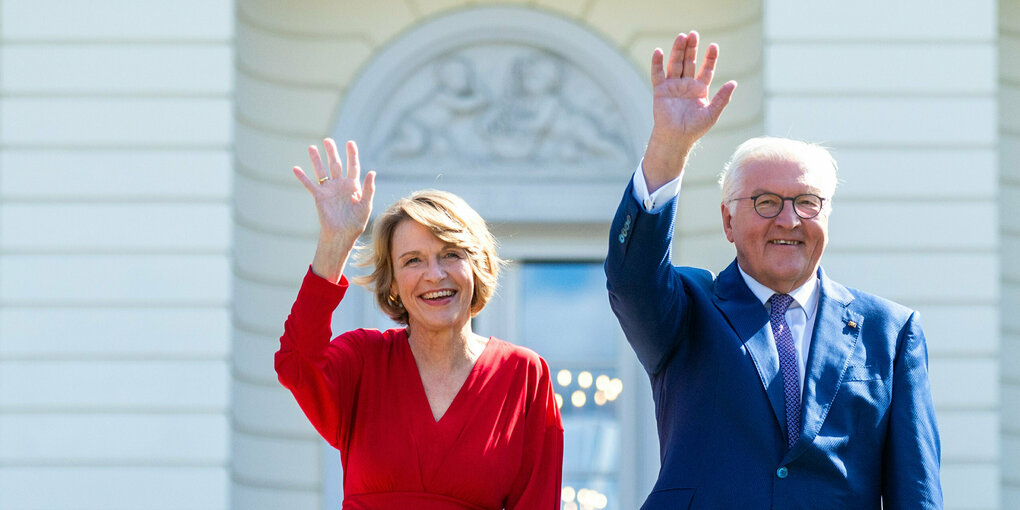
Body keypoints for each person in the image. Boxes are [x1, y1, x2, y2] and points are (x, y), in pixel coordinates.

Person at [604, 32, 942, 509]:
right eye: (766, 203)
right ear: (727, 219)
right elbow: (632, 278)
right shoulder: (689, 310)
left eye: (807, 203)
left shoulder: (890, 331)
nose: (789, 220)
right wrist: (668, 146)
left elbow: (917, 489)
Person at [276, 138, 563, 509]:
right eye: (413, 260)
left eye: (450, 255)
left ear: (477, 267)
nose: (435, 274)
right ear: (392, 282)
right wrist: (335, 242)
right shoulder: (364, 360)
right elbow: (296, 363)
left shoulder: (524, 375)